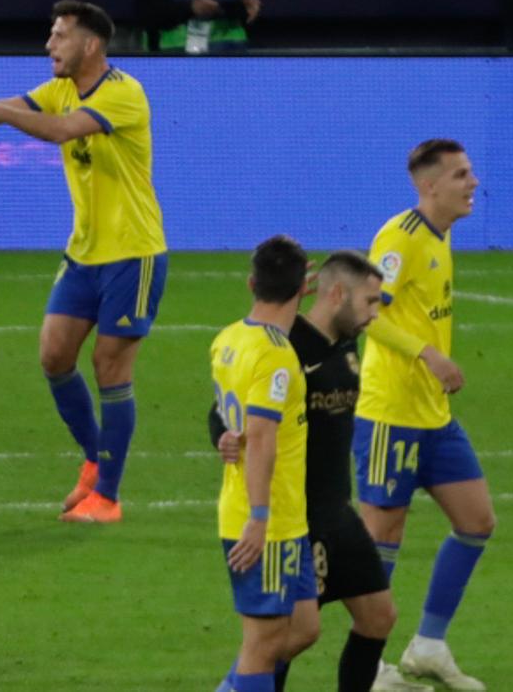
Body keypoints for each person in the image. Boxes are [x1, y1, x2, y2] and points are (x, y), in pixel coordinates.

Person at [0, 0, 167, 523]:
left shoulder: (123, 93)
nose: (49, 44)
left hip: (132, 253)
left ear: (91, 44)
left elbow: (59, 129)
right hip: (84, 253)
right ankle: (95, 462)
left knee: (110, 367)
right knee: (54, 356)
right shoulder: (60, 89)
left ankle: (109, 498)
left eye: (59, 36)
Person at [209, 252, 429, 692]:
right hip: (298, 515)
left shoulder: (347, 341)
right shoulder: (288, 345)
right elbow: (223, 408)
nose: (374, 314)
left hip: (337, 509)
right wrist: (222, 435)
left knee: (377, 616)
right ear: (336, 295)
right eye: (369, 301)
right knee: (284, 635)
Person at [354, 139, 491, 691]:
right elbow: (366, 314)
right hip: (391, 413)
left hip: (433, 414)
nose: (473, 182)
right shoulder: (399, 239)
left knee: (477, 522)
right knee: (383, 536)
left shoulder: (442, 234)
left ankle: (428, 644)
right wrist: (427, 353)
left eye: (471, 171)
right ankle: (369, 667)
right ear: (428, 185)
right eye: (461, 174)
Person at [209, 235, 318, 692]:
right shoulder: (275, 355)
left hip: (289, 518)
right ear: (301, 289)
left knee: (304, 628)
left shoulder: (228, 339)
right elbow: (262, 437)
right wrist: (258, 517)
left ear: (252, 283)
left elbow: (227, 418)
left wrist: (226, 440)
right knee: (264, 640)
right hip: (264, 519)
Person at [134, 0, 261, 53]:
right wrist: (190, 7)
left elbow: (248, 5)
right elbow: (144, 11)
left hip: (230, 50)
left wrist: (242, 4)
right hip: (171, 53)